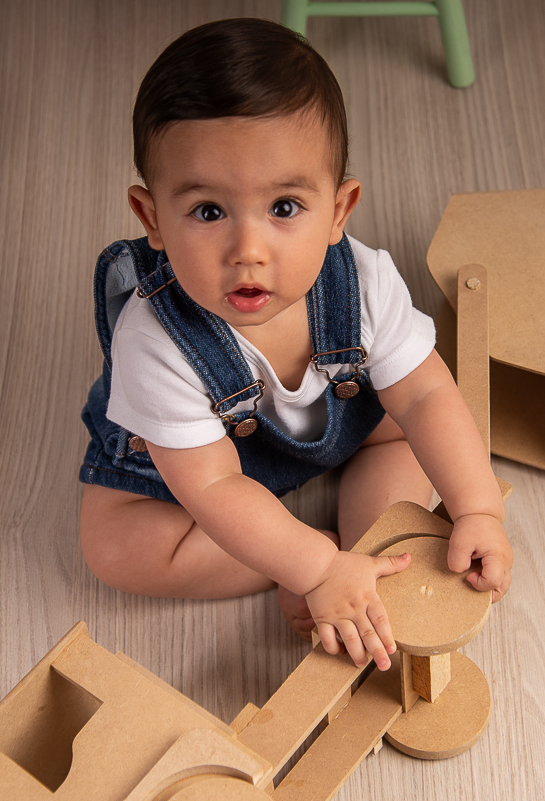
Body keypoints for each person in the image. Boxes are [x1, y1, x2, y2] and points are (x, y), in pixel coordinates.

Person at [79, 17, 511, 672]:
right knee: (113, 547)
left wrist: (476, 505)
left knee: (413, 428)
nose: (247, 251)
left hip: (336, 430)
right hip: (197, 465)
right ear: (153, 219)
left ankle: (366, 554)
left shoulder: (361, 281)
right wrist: (309, 565)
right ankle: (312, 554)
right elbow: (216, 486)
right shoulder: (155, 342)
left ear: (339, 210)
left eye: (283, 207)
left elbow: (424, 394)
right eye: (207, 211)